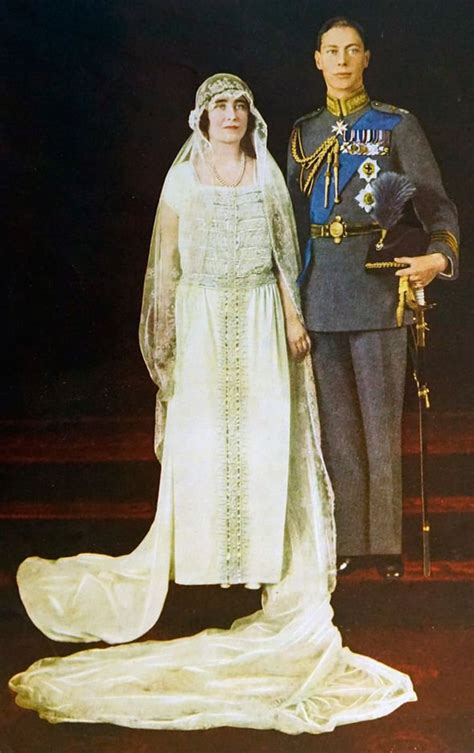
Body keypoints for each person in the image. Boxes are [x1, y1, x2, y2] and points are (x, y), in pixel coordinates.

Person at [9, 74, 416, 733]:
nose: (229, 116)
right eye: (219, 107)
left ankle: (256, 563)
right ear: (200, 118)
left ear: (248, 116)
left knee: (258, 444)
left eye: (238, 107)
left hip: (258, 320)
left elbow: (288, 258)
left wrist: (290, 319)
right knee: (205, 445)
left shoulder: (265, 176)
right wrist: (166, 342)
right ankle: (204, 565)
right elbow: (164, 268)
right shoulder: (182, 181)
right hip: (203, 321)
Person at [287, 18, 459, 578]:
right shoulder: (302, 135)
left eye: (352, 51)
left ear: (366, 60)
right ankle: (347, 543)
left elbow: (438, 206)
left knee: (381, 426)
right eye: (331, 51)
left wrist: (439, 256)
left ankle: (384, 546)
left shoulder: (394, 126)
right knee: (337, 431)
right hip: (319, 296)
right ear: (316, 60)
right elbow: (286, 218)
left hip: (380, 293)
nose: (341, 61)